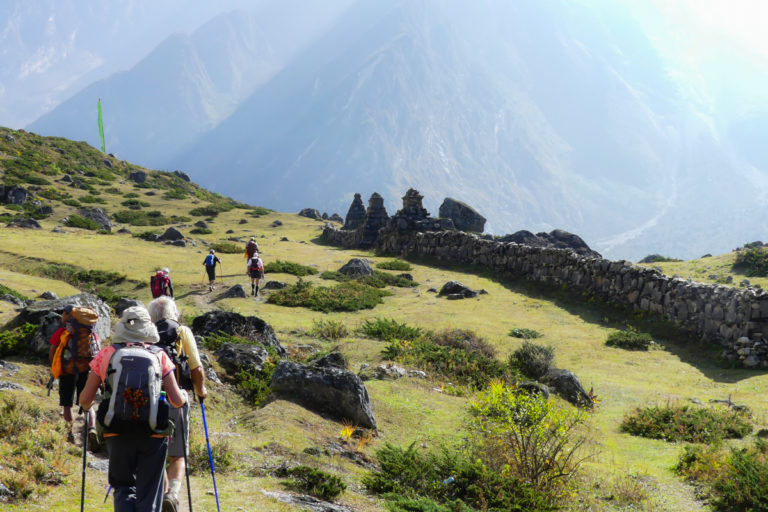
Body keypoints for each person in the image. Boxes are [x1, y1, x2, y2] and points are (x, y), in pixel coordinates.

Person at [80, 306, 187, 512]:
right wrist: (183, 396)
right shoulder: (160, 355)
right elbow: (176, 401)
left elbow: (85, 400)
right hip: (153, 434)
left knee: (123, 487)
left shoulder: (107, 354)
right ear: (148, 328)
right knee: (149, 492)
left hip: (116, 431)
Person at [147, 296, 208, 512]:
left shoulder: (146, 333)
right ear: (174, 313)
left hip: (149, 399)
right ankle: (172, 493)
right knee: (177, 453)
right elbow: (196, 369)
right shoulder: (182, 332)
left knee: (156, 451)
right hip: (176, 397)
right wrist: (201, 391)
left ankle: (163, 494)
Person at [49, 305, 99, 447]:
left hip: (67, 370)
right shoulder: (91, 333)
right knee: (87, 402)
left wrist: (53, 367)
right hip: (86, 369)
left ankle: (69, 434)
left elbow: (53, 350)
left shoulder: (62, 332)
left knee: (67, 404)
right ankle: (92, 428)